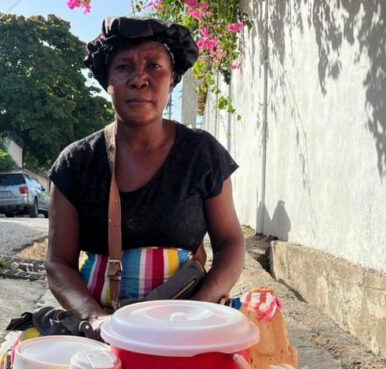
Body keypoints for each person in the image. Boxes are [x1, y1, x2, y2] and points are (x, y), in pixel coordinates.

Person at [45, 16, 245, 322]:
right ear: (108, 81)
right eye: (124, 67)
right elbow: (58, 263)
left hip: (186, 326)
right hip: (101, 330)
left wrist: (200, 309)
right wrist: (95, 320)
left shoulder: (201, 154)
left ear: (172, 80)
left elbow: (230, 243)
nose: (139, 79)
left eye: (154, 66)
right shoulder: (75, 163)